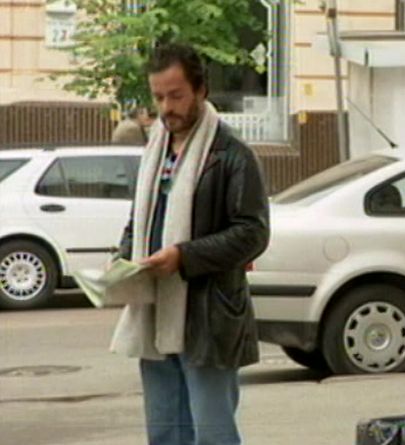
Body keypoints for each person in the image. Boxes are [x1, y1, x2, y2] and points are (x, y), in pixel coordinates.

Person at [111, 43, 270, 445]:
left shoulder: (231, 154)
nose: (167, 107)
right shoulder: (154, 151)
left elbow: (253, 233)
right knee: (165, 434)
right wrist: (122, 262)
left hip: (208, 319)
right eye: (159, 97)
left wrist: (184, 257)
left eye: (176, 95)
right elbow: (139, 221)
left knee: (212, 436)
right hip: (155, 311)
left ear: (201, 90)